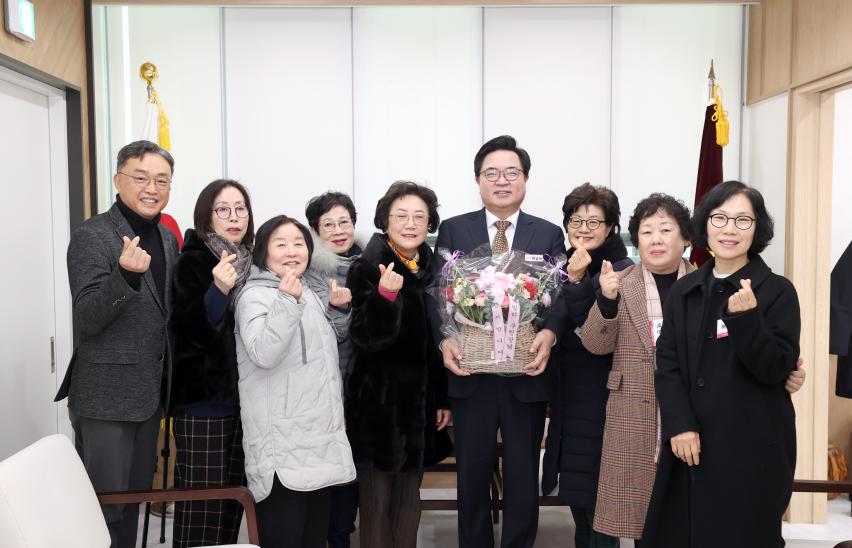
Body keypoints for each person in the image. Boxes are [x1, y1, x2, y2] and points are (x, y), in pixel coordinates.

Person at [642, 181, 801, 548]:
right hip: (691, 443)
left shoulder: (777, 291)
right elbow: (667, 364)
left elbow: (777, 369)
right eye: (720, 218)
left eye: (743, 220)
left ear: (758, 228)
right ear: (705, 224)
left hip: (752, 446)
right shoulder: (686, 290)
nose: (730, 229)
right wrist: (680, 425)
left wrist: (746, 320)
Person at [434, 135, 566, 548]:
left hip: (525, 371)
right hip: (471, 371)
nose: (502, 180)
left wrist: (549, 332)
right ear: (478, 180)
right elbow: (437, 293)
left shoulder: (548, 233)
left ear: (525, 179)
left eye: (511, 172)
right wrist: (444, 340)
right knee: (472, 475)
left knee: (523, 475)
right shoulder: (454, 228)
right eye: (492, 173)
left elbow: (562, 295)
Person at [54, 140, 179, 548]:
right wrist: (124, 277)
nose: (152, 188)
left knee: (133, 503)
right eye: (140, 178)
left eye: (162, 180)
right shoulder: (92, 235)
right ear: (117, 180)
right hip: (106, 400)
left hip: (149, 396)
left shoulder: (167, 237)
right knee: (104, 511)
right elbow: (88, 316)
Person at [234, 215, 356, 548]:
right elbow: (263, 352)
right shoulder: (254, 296)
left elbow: (323, 348)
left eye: (299, 244)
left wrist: (339, 310)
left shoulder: (307, 292)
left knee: (313, 539)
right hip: (282, 449)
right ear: (263, 252)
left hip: (318, 442)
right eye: (281, 244)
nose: (292, 251)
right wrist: (287, 301)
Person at [345, 181, 452, 548]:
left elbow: (436, 341)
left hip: (418, 407)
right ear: (385, 221)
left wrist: (441, 398)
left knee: (409, 502)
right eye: (401, 216)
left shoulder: (432, 269)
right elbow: (365, 337)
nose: (410, 224)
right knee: (376, 505)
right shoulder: (366, 268)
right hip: (378, 406)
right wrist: (386, 296)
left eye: (419, 217)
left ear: (430, 223)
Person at [540, 183, 632, 548]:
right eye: (576, 221)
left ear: (610, 227)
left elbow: (592, 332)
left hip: (602, 394)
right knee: (580, 497)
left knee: (600, 498)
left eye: (594, 221)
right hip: (571, 393)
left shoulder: (620, 270)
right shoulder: (565, 265)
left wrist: (577, 280)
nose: (583, 228)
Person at [169, 179, 255, 547]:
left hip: (245, 402)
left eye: (240, 209)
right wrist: (218, 290)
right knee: (202, 513)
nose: (234, 217)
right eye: (223, 209)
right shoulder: (194, 261)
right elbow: (190, 335)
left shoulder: (252, 262)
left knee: (232, 507)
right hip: (204, 403)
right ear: (207, 217)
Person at [303, 191, 363, 548]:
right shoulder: (308, 272)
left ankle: (342, 533)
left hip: (362, 387)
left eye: (345, 222)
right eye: (329, 225)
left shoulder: (370, 265)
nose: (339, 231)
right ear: (315, 230)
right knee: (328, 468)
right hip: (324, 388)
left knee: (351, 467)